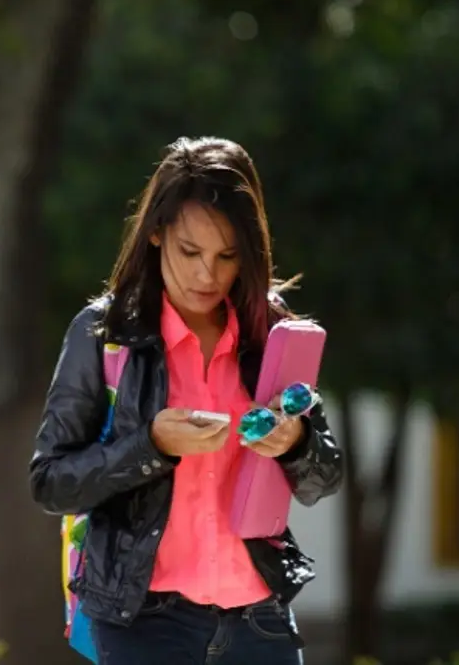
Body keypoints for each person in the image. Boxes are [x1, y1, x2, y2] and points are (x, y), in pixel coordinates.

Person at [29, 137, 343, 664]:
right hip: (145, 625)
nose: (208, 275)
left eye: (228, 256)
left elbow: (325, 476)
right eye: (190, 252)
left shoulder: (273, 332)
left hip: (261, 624)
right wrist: (151, 445)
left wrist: (296, 442)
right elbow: (50, 482)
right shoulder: (104, 333)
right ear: (155, 232)